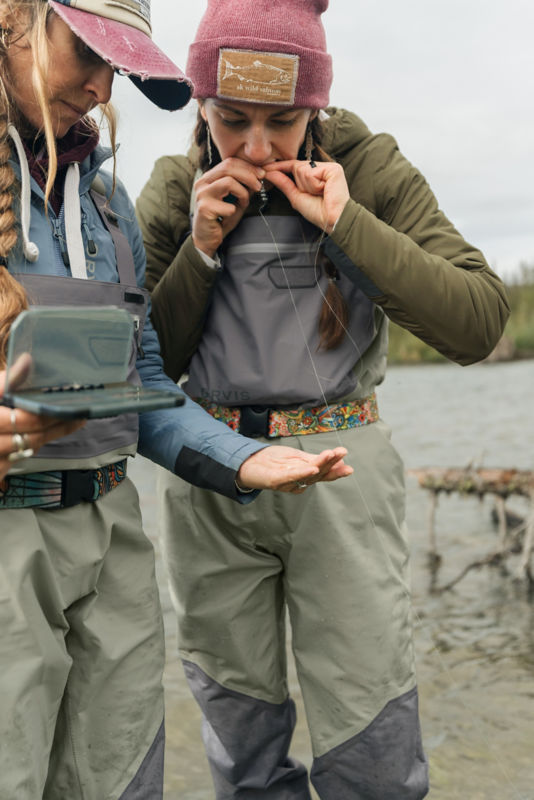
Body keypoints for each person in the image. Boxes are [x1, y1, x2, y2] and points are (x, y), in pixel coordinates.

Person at [136, 0, 511, 797]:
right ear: (201, 103)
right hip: (212, 476)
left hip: (344, 474)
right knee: (239, 740)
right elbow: (139, 372)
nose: (259, 146)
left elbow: (478, 323)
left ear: (318, 107)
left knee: (371, 739)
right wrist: (199, 252)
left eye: (285, 120)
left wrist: (347, 221)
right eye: (232, 120)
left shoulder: (370, 167)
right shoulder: (175, 186)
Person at [0, 2, 352, 798]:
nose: (97, 86)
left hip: (115, 541)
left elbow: (148, 388)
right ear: (12, 20)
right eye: (83, 52)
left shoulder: (112, 209)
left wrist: (247, 459)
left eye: (114, 67)